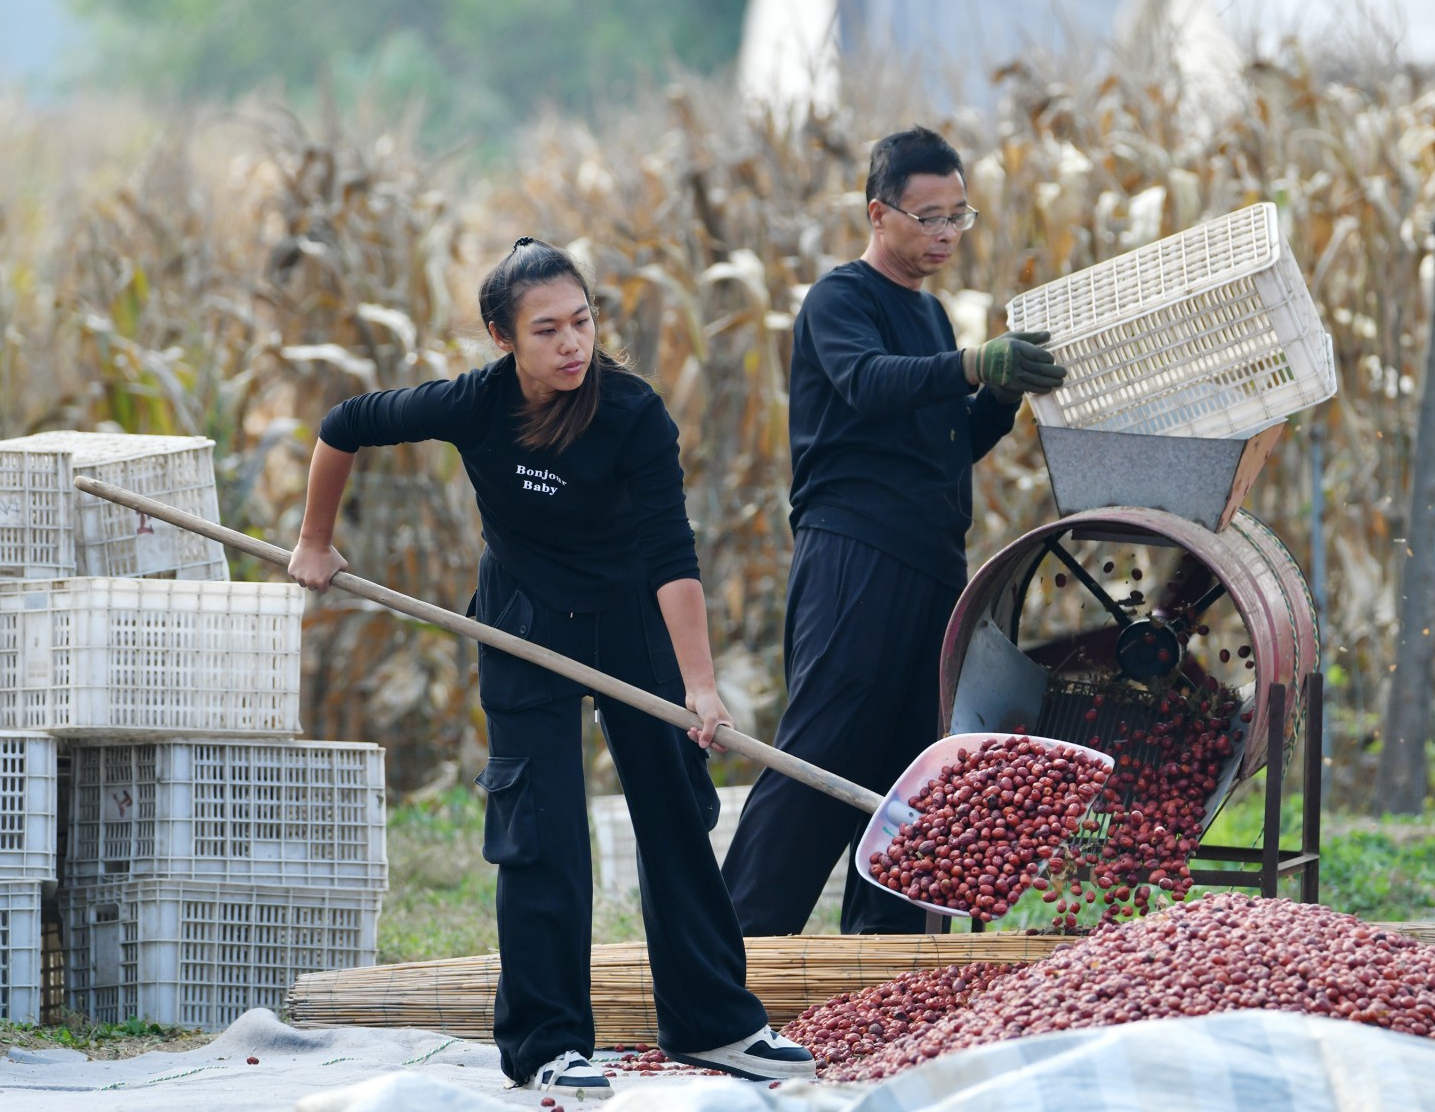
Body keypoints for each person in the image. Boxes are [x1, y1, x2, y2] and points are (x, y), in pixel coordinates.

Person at [287, 238, 816, 1097]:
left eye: (583, 321)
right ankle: (548, 1042)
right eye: (547, 330)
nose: (572, 343)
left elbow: (671, 553)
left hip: (627, 621)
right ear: (503, 337)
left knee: (676, 811)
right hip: (524, 622)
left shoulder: (633, 412)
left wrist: (700, 683)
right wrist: (314, 539)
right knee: (543, 833)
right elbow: (344, 425)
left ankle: (716, 1023)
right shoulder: (474, 402)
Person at [720, 126, 1065, 936]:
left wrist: (1002, 395)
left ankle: (886, 963)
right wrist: (975, 365)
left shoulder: (932, 315)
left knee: (918, 774)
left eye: (958, 218)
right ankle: (731, 953)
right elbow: (867, 384)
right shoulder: (841, 301)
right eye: (929, 217)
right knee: (823, 754)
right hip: (854, 556)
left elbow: (945, 445)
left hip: (933, 564)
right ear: (880, 214)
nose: (945, 234)